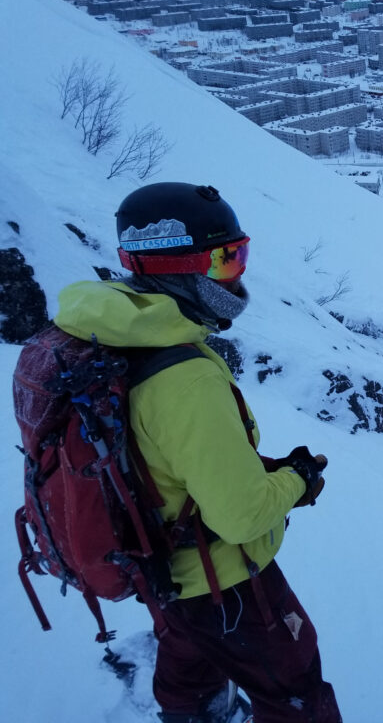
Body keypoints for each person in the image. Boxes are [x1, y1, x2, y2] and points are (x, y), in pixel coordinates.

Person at [52, 182, 343, 723]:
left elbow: (161, 451)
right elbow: (241, 515)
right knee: (294, 687)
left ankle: (191, 713)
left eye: (240, 253)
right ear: (180, 264)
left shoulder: (113, 331)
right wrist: (298, 479)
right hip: (225, 580)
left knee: (187, 647)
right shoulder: (183, 379)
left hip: (157, 563)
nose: (239, 271)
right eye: (226, 258)